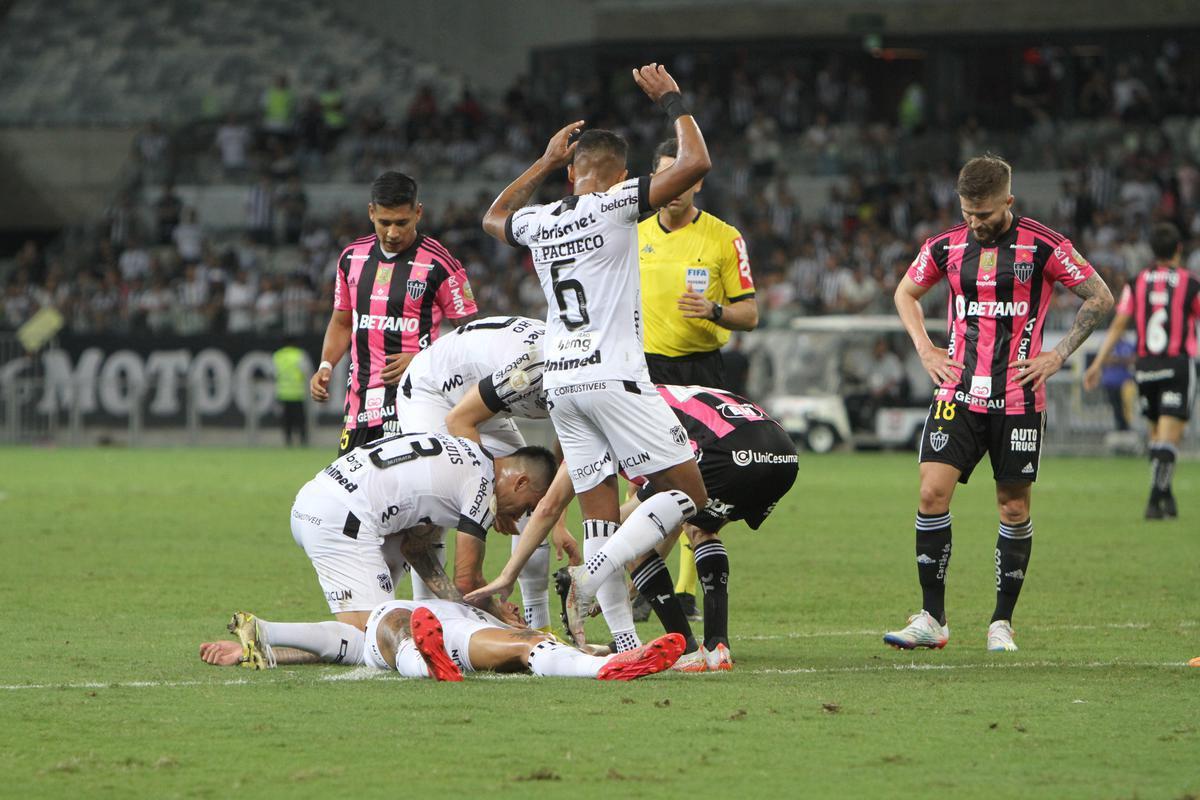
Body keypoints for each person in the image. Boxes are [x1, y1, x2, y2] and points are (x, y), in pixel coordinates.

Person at [482, 63, 710, 649]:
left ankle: (622, 642)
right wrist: (672, 101)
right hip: (613, 375)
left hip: (560, 381)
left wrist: (543, 161)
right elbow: (695, 166)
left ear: (573, 173)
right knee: (689, 495)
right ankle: (594, 573)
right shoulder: (614, 206)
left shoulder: (540, 220)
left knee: (600, 515)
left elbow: (493, 218)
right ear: (621, 177)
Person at [888, 154, 1113, 652]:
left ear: (1008, 201)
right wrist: (926, 348)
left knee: (1012, 507)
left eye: (985, 214)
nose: (976, 223)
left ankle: (1001, 623)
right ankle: (932, 618)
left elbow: (1100, 297)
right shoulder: (945, 247)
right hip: (957, 392)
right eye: (968, 212)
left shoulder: (1044, 245)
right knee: (930, 494)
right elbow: (905, 293)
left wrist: (1057, 355)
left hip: (1018, 397)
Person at [464, 384, 798, 672]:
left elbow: (549, 508)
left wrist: (509, 574)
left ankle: (678, 642)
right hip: (780, 452)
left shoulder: (595, 423)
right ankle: (717, 647)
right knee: (699, 529)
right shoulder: (648, 402)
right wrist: (628, 589)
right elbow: (661, 530)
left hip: (722, 451)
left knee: (620, 532)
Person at [268, 432, 555, 668]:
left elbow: (415, 549)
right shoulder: (482, 487)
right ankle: (265, 634)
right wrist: (501, 617)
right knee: (375, 642)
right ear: (521, 482)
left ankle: (265, 647)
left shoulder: (467, 453)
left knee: (379, 635)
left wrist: (463, 607)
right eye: (529, 506)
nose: (520, 516)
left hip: (323, 501)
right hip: (343, 517)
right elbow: (468, 582)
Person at [638, 136, 759, 620]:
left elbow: (749, 315)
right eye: (665, 178)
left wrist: (714, 310)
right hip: (646, 369)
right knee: (643, 482)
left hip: (703, 371)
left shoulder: (723, 237)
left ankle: (685, 590)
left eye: (683, 178)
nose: (674, 188)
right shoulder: (632, 233)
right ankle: (648, 581)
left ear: (698, 181)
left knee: (701, 485)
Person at [390, 314, 570, 624]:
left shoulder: (581, 374)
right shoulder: (532, 371)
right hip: (432, 391)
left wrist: (558, 522)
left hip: (481, 397)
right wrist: (491, 499)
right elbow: (459, 421)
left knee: (534, 498)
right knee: (441, 497)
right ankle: (433, 617)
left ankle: (538, 626)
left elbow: (563, 455)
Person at [311, 172, 478, 456]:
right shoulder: (352, 258)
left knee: (405, 496)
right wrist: (326, 365)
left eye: (402, 222)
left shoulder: (441, 263)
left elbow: (472, 335)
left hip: (414, 400)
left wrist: (423, 358)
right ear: (371, 212)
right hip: (359, 405)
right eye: (384, 222)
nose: (392, 233)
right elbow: (342, 322)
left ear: (418, 212)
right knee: (353, 494)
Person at [199, 599, 685, 681]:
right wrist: (253, 652)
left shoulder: (365, 631)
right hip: (441, 628)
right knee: (524, 644)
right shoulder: (351, 637)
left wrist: (605, 649)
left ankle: (608, 665)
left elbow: (328, 646)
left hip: (432, 631)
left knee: (526, 641)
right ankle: (603, 668)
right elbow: (322, 648)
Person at [1085, 222, 1199, 519]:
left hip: (1145, 367)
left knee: (1157, 436)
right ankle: (1154, 499)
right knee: (1169, 438)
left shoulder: (1137, 283)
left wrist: (1097, 363)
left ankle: (1167, 495)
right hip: (1177, 365)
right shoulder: (1191, 283)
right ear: (1178, 249)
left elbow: (1119, 325)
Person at [272, 338, 310, 446]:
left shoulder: (278, 356)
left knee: (286, 420)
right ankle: (303, 441)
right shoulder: (299, 355)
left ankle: (288, 441)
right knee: (300, 420)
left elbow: (273, 373)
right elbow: (306, 371)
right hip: (298, 394)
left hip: (283, 393)